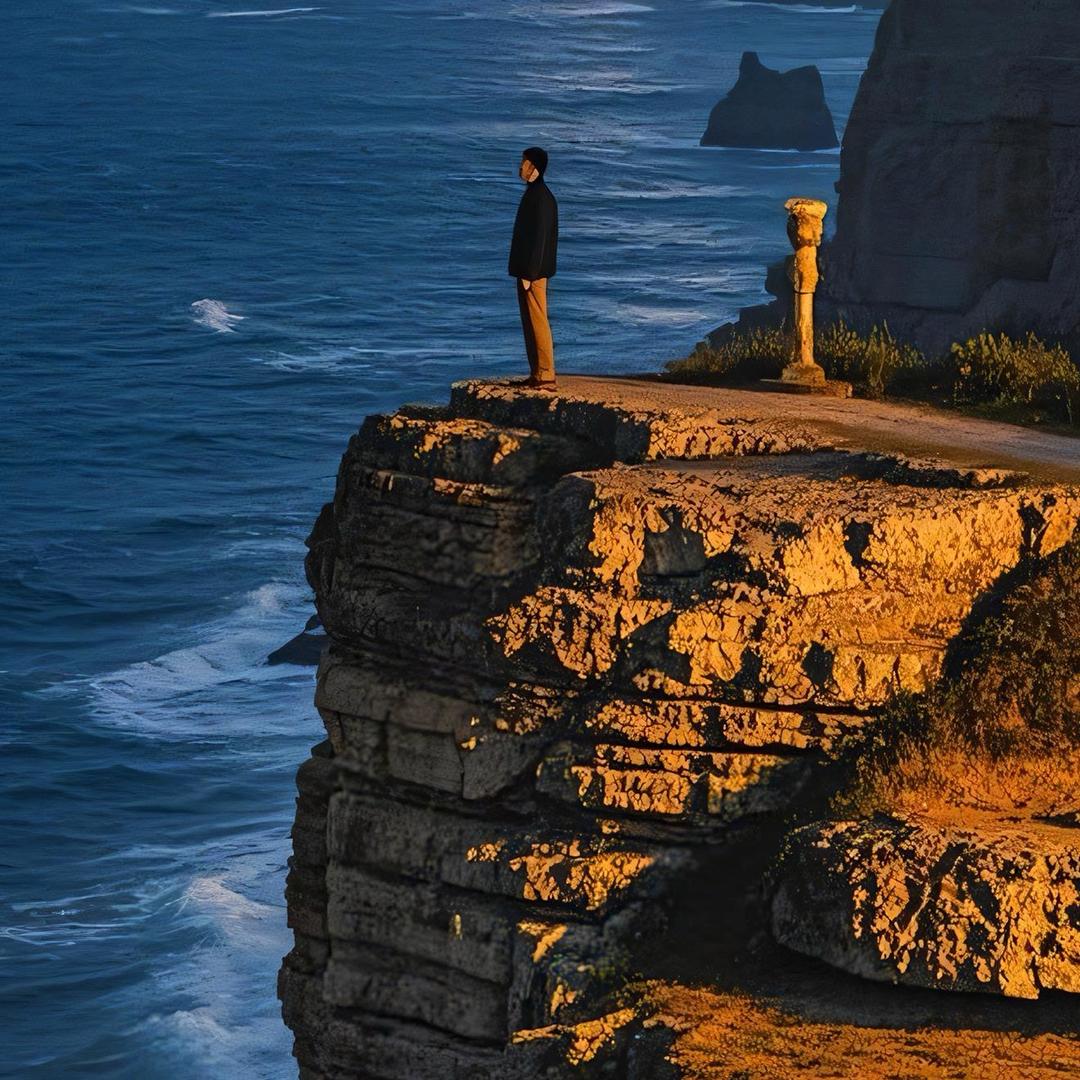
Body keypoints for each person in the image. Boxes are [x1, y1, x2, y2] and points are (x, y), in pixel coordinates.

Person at [508, 146, 558, 389]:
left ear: (535, 168)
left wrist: (531, 272)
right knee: (529, 321)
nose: (521, 167)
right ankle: (537, 371)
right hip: (527, 270)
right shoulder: (534, 194)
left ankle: (546, 373)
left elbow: (540, 239)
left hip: (533, 272)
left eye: (525, 163)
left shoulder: (541, 197)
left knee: (537, 320)